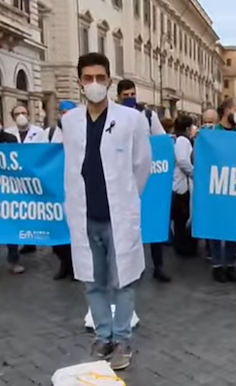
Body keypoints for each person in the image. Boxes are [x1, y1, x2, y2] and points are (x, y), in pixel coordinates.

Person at [62, 52, 151, 370]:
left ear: (110, 81)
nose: (95, 84)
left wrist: (126, 200)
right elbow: (72, 166)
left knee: (123, 280)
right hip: (85, 215)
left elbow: (142, 165)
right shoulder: (69, 121)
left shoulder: (131, 120)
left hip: (118, 216)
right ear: (79, 83)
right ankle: (103, 336)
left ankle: (123, 339)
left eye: (100, 78)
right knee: (92, 280)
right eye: (88, 78)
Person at [116, 79, 170, 283]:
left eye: (132, 94)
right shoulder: (113, 115)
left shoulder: (148, 115)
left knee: (152, 219)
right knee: (127, 223)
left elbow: (161, 139)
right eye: (126, 95)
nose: (130, 98)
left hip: (149, 174)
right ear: (119, 96)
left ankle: (158, 266)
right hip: (123, 177)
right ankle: (129, 268)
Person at [38, 100, 78, 280]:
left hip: (77, 188)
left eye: (69, 111)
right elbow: (38, 155)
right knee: (57, 230)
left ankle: (77, 267)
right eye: (63, 111)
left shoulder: (82, 132)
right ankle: (64, 263)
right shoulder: (50, 133)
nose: (66, 115)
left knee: (76, 231)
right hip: (55, 188)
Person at [209, 98, 236, 283]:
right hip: (216, 187)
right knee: (215, 227)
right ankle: (217, 264)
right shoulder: (212, 133)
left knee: (232, 227)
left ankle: (230, 263)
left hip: (235, 187)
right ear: (226, 110)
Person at [6, 105, 44, 255]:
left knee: (34, 210)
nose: (21, 115)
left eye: (23, 112)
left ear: (28, 114)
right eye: (17, 113)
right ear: (13, 117)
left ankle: (33, 239)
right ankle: (24, 241)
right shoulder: (8, 134)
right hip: (14, 181)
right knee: (20, 210)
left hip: (34, 178)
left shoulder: (39, 132)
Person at [0, 122, 24, 274]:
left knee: (10, 223)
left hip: (7, 188)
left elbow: (19, 158)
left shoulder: (9, 138)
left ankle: (13, 260)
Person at [172, 114, 197, 256]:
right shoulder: (182, 141)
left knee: (181, 218)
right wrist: (194, 173)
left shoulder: (180, 140)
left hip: (181, 184)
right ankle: (181, 246)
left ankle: (181, 244)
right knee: (182, 218)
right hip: (181, 186)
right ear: (187, 128)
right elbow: (182, 160)